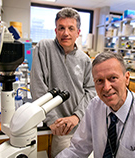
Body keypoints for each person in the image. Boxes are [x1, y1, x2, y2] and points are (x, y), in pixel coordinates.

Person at [56, 51, 135, 158]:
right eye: (99, 80)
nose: (106, 87)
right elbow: (78, 149)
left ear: (127, 78)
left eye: (113, 78)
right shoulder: (94, 106)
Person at [30, 7, 96, 158]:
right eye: (61, 28)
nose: (65, 33)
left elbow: (91, 91)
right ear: (56, 31)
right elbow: (38, 85)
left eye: (71, 28)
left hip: (81, 127)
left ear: (78, 32)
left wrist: (77, 116)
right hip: (59, 130)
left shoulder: (85, 60)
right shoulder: (44, 48)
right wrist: (51, 119)